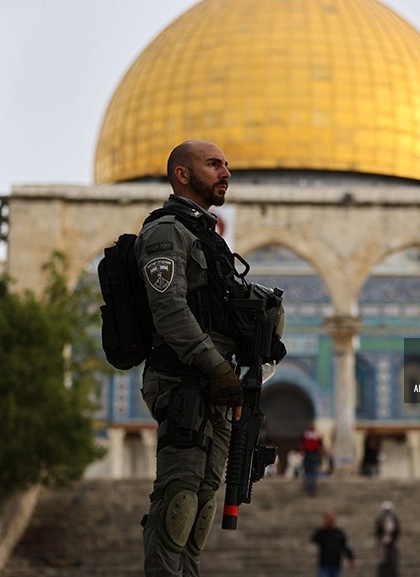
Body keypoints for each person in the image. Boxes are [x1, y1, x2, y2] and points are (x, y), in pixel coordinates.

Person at [137, 140, 252, 577]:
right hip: (184, 381)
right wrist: (218, 367)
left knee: (202, 506)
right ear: (183, 174)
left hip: (216, 387)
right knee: (178, 501)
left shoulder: (210, 237)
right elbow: (169, 311)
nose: (225, 172)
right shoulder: (167, 231)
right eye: (213, 164)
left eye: (226, 163)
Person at [311, 510, 355, 577]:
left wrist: (350, 559)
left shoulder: (339, 533)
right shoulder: (322, 532)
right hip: (324, 565)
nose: (331, 521)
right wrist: (321, 528)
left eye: (332, 519)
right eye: (329, 519)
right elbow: (314, 539)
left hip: (336, 565)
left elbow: (346, 546)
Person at [375, 501, 400, 577]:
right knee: (382, 564)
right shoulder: (379, 520)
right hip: (382, 545)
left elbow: (397, 531)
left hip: (391, 544)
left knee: (392, 564)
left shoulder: (395, 520)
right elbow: (377, 532)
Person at [301, 422, 324, 495]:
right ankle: (312, 486)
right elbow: (320, 445)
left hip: (308, 454)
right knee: (313, 471)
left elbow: (302, 444)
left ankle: (309, 485)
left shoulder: (306, 434)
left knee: (308, 471)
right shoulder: (318, 434)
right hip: (314, 454)